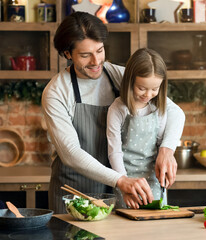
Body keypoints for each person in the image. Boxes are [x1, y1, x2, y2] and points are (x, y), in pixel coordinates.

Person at [41, 12, 185, 213]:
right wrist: (120, 180)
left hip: (116, 192)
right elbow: (70, 153)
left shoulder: (118, 74)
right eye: (85, 55)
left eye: (100, 50)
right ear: (67, 54)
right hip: (76, 192)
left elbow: (174, 111)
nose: (96, 61)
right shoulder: (56, 92)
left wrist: (167, 149)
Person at [107, 48, 181, 209]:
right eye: (142, 88)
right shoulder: (117, 109)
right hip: (126, 181)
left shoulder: (159, 107)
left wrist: (166, 160)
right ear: (130, 81)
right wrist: (123, 182)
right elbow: (114, 151)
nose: (148, 94)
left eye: (155, 89)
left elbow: (161, 142)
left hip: (153, 182)